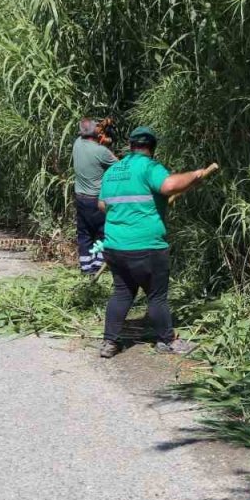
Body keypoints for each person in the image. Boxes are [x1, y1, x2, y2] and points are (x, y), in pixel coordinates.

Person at [96, 126, 213, 357]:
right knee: (156, 296)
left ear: (131, 145)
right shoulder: (149, 167)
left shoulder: (113, 171)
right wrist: (196, 175)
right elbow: (169, 185)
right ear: (152, 147)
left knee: (122, 293)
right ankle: (167, 341)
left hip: (115, 247)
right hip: (147, 247)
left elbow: (102, 205)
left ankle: (109, 342)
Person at [72, 118, 116, 275]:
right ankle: (98, 266)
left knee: (84, 234)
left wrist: (100, 134)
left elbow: (90, 135)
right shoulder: (101, 152)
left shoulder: (77, 143)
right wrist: (106, 144)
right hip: (97, 200)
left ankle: (86, 268)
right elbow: (120, 166)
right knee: (102, 232)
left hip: (80, 198)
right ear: (96, 132)